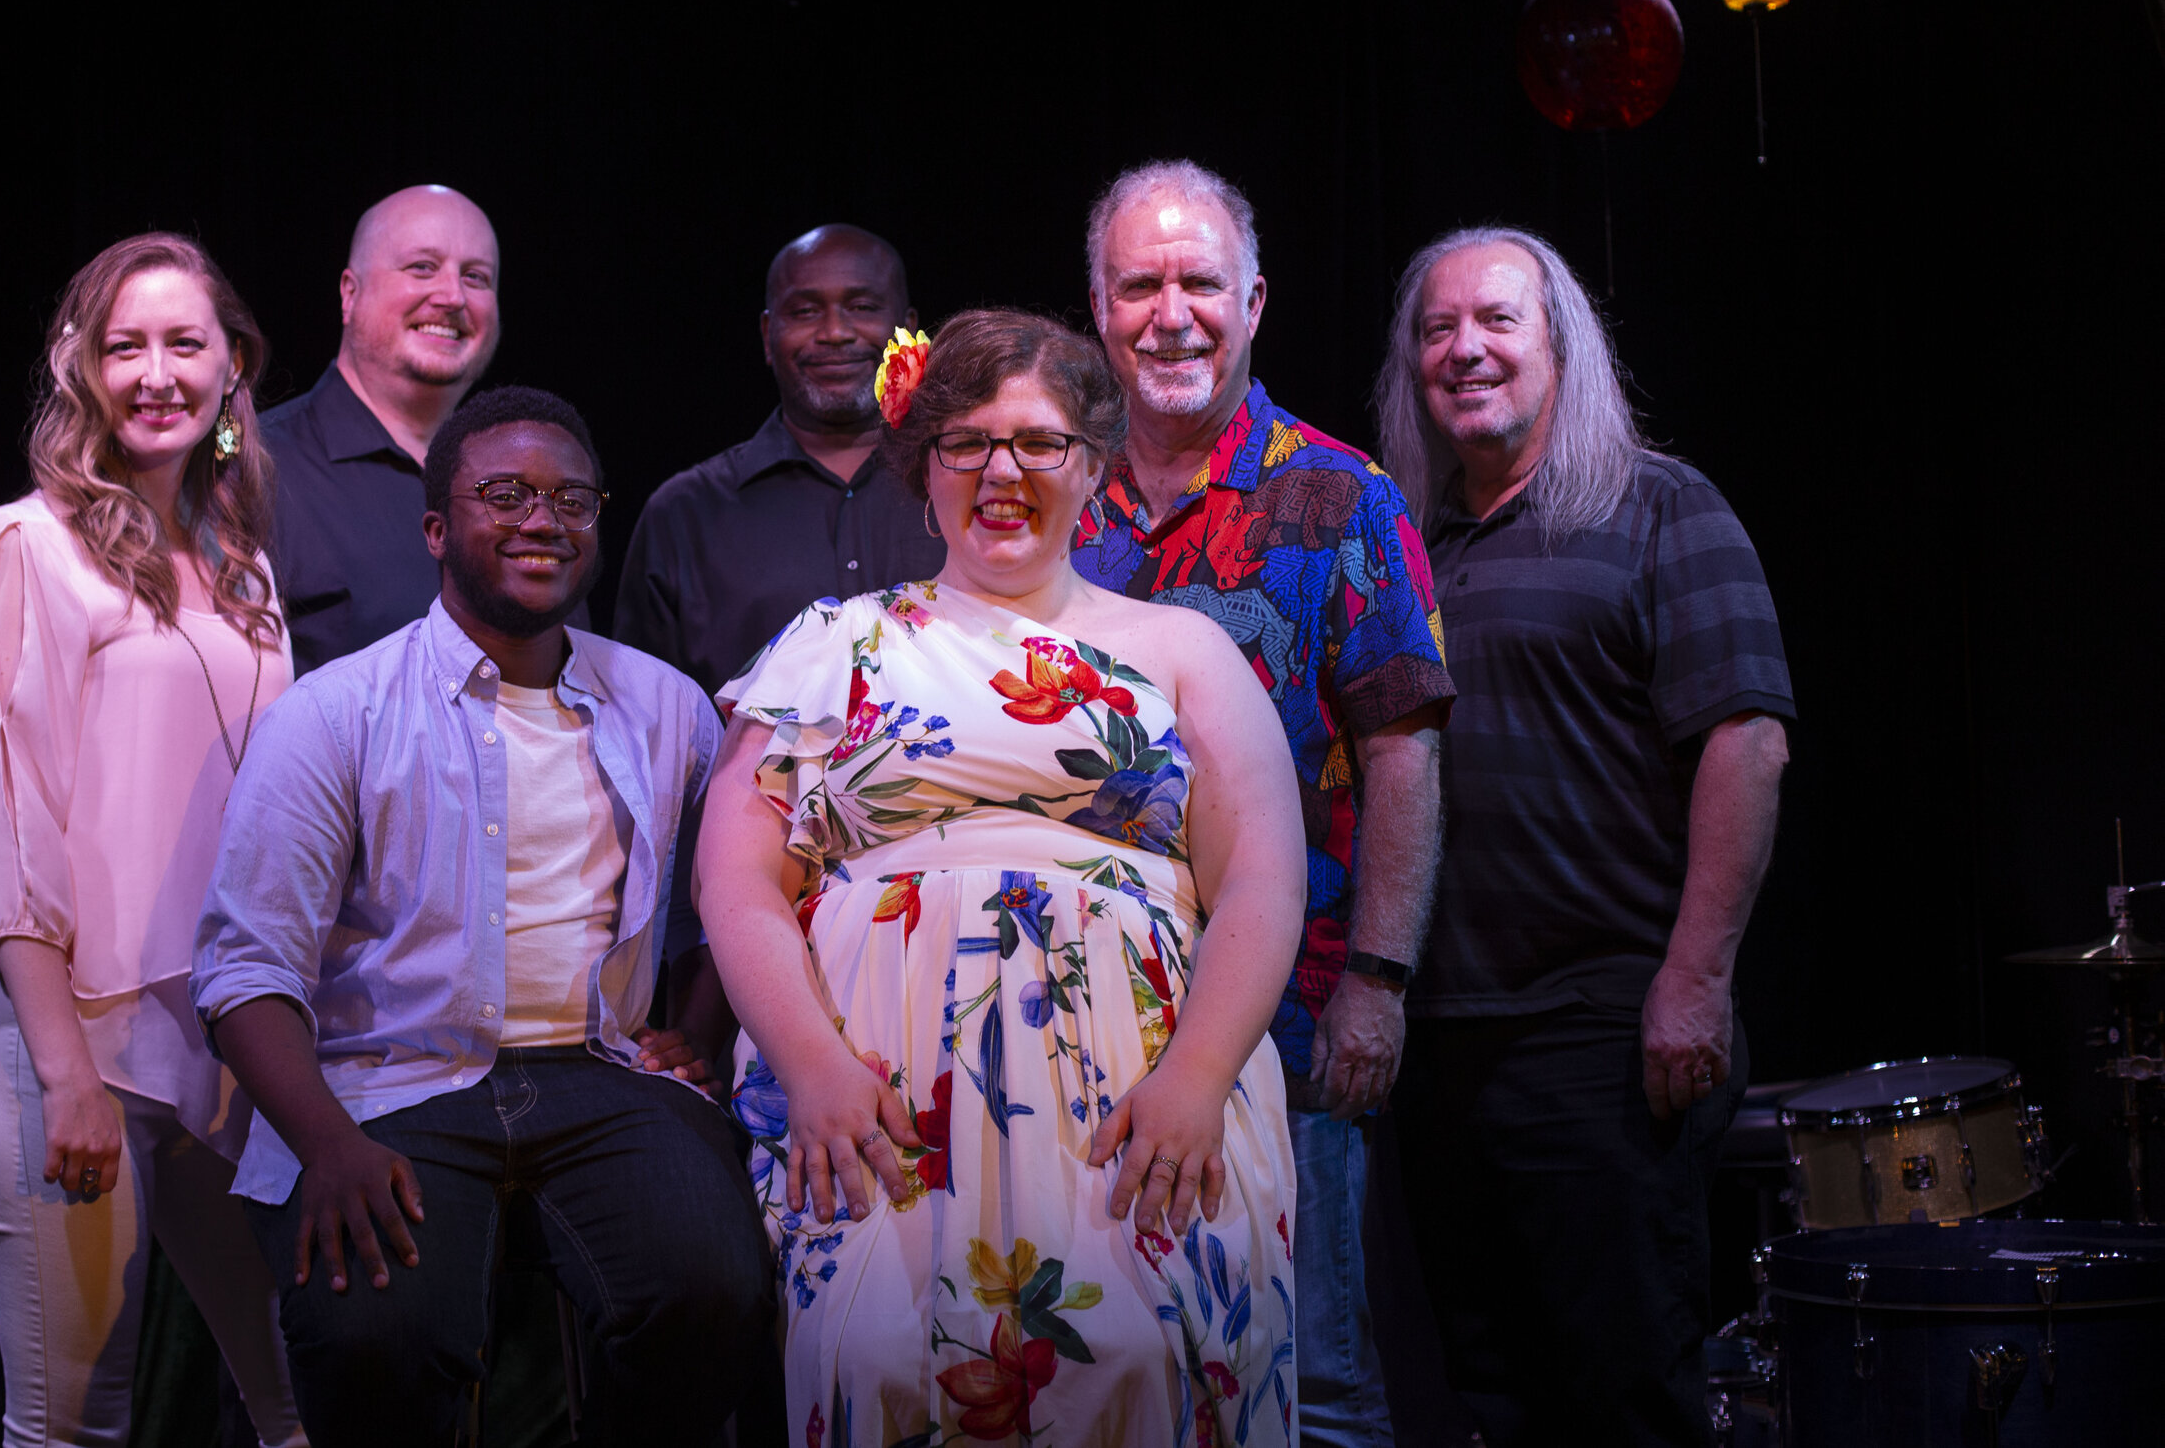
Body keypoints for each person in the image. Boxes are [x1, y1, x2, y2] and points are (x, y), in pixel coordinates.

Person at [698, 309, 1305, 1446]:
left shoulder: (1176, 648)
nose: (1002, 470)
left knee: (1139, 1359)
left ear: (1092, 466)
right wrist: (813, 1066)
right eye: (968, 441)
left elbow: (1263, 882)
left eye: (1038, 442)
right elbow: (734, 883)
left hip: (1138, 1090)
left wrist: (1195, 1078)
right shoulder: (833, 640)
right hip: (877, 1094)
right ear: (922, 465)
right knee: (880, 1363)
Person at [193, 387, 773, 1447]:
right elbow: (243, 972)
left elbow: (747, 891)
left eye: (571, 498)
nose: (542, 519)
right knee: (374, 1334)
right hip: (388, 1081)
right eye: (503, 493)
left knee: (714, 1292)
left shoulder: (665, 705)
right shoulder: (334, 714)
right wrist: (325, 1142)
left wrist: (699, 1026)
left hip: (600, 1070)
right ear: (435, 528)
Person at [1373, 227, 1793, 1446]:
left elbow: (1746, 741)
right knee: (1482, 1396)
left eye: (1498, 320)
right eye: (1438, 328)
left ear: (1562, 345)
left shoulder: (1656, 504)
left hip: (1604, 1030)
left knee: (1618, 1394)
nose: (1465, 349)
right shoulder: (1403, 546)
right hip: (1437, 1039)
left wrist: (1696, 978)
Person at [1072, 161, 1453, 1446]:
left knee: (1321, 1382)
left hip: (1296, 1018)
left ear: (1252, 301)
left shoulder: (1341, 496)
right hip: (1090, 1018)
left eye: (1197, 282)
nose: (1169, 312)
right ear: (1098, 307)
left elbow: (1401, 750)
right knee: (1126, 1369)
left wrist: (1381, 982)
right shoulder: (1051, 509)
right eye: (1140, 285)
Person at [0, 232, 305, 1448]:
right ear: (80, 369)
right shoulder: (22, 543)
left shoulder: (244, 565)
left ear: (232, 367)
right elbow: (9, 823)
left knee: (291, 1399)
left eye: (184, 343)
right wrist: (64, 1073)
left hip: (220, 1045)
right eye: (125, 344)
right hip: (73, 1042)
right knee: (72, 1424)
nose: (157, 372)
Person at [615, 223, 944, 696]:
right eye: (806, 311)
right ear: (769, 334)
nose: (834, 332)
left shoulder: (972, 485)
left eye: (863, 307)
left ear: (908, 329)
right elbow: (642, 721)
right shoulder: (684, 514)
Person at [264, 183, 503, 676]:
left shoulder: (520, 483)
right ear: (350, 294)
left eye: (476, 277)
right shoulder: (257, 468)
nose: (452, 295)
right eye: (422, 267)